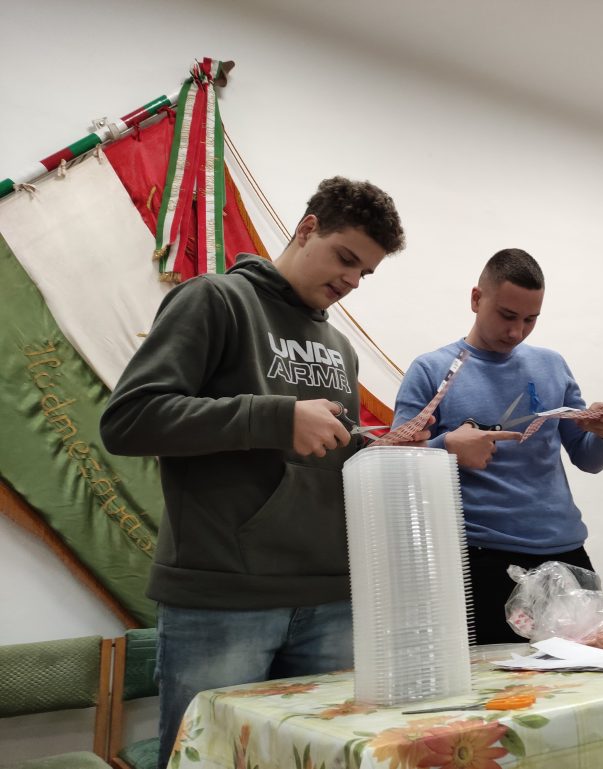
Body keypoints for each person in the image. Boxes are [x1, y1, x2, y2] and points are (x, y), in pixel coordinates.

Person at [100, 176, 426, 768]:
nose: (352, 281)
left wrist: (384, 451)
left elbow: (328, 455)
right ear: (306, 228)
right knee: (210, 759)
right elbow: (129, 420)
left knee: (321, 760)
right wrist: (274, 418)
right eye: (345, 258)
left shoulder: (341, 347)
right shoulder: (215, 300)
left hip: (333, 597)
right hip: (225, 599)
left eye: (365, 273)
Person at [392, 248, 603, 645]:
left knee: (587, 674)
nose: (516, 331)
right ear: (476, 299)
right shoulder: (430, 370)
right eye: (507, 315)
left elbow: (588, 459)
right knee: (497, 681)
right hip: (481, 557)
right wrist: (446, 447)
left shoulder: (552, 365)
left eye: (530, 319)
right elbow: (392, 465)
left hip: (566, 551)